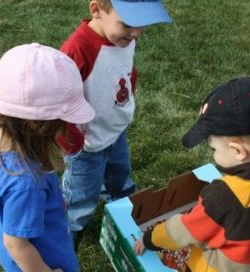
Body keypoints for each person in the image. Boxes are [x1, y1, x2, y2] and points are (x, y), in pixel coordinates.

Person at [134, 77, 250, 272]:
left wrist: (151, 238)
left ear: (238, 151)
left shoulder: (225, 197)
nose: (214, 154)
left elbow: (186, 230)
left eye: (213, 148)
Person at [0, 43, 95, 272]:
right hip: (42, 260)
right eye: (62, 122)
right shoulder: (27, 182)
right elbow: (16, 244)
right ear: (38, 126)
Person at [56, 0, 172, 238]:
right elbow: (61, 103)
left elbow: (125, 69)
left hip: (115, 131)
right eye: (129, 23)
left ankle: (122, 214)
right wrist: (73, 142)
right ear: (96, 10)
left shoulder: (124, 38)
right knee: (81, 195)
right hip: (85, 144)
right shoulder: (76, 51)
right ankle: (69, 231)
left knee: (119, 177)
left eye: (143, 24)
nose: (137, 33)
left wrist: (129, 94)